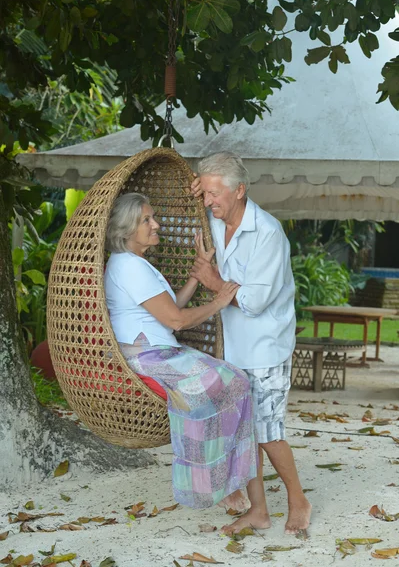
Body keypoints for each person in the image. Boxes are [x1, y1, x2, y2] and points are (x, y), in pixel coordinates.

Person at [104, 192, 258, 511]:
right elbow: (175, 320)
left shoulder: (132, 264)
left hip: (155, 351)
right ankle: (214, 484)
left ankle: (223, 482)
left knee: (235, 383)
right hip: (148, 356)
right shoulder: (129, 267)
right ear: (127, 228)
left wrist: (196, 274)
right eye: (147, 219)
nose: (156, 224)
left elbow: (170, 309)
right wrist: (217, 302)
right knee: (228, 385)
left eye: (153, 217)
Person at [190, 152, 312, 535]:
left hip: (265, 347)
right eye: (205, 193)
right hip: (231, 349)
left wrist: (212, 281)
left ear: (240, 190)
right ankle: (258, 511)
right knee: (243, 434)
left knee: (267, 432)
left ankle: (298, 499)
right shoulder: (213, 219)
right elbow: (176, 218)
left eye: (215, 193)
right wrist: (192, 190)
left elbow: (255, 302)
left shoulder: (268, 233)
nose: (209, 201)